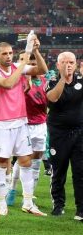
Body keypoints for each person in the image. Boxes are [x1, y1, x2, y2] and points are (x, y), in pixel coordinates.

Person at [0, 37, 48, 216]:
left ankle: (28, 203)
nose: (9, 56)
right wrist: (25, 59)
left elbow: (42, 70)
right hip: (2, 124)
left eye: (11, 53)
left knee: (26, 161)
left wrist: (35, 51)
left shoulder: (16, 68)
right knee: (2, 163)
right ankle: (2, 203)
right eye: (5, 54)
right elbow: (8, 83)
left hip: (21, 122)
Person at [45, 52, 83, 219]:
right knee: (59, 170)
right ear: (58, 65)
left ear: (76, 64)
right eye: (64, 62)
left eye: (71, 62)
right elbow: (52, 99)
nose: (68, 65)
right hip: (58, 134)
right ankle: (58, 205)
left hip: (79, 133)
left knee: (80, 172)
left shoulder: (81, 81)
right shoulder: (52, 82)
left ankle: (81, 209)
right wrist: (63, 78)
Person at [7, 60, 48, 207]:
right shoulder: (19, 81)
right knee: (23, 160)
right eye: (29, 64)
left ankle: (29, 195)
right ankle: (12, 189)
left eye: (34, 64)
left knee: (36, 161)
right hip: (25, 124)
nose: (32, 67)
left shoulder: (45, 81)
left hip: (41, 125)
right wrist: (25, 88)